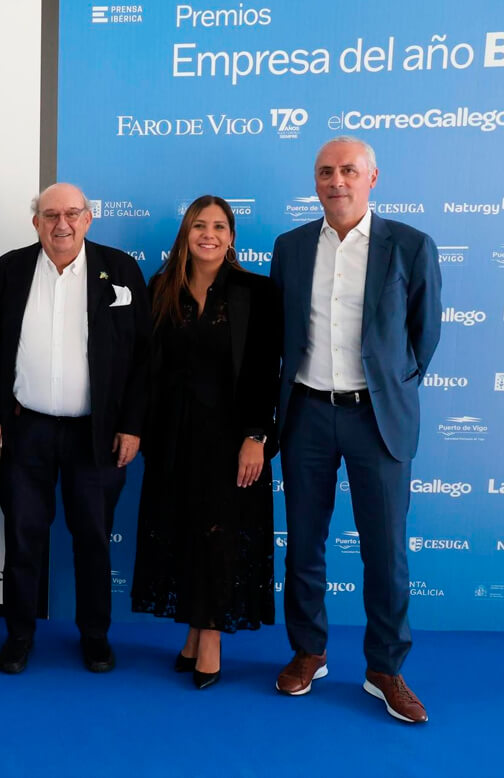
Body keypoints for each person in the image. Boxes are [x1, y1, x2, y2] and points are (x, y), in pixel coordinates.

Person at [271, 136, 441, 723]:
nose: (336, 180)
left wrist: (388, 386)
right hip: (307, 414)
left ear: (373, 177)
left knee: (387, 551)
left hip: (378, 418)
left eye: (348, 170)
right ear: (315, 181)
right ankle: (308, 652)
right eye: (325, 171)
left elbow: (423, 336)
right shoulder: (289, 247)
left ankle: (385, 669)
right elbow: (282, 335)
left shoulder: (412, 246)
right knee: (304, 544)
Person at [0, 182, 151, 674]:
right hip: (23, 429)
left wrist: (133, 425)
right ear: (36, 222)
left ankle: (95, 636)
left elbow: (143, 356)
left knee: (93, 536)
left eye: (72, 214)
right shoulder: (10, 271)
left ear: (88, 219)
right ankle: (19, 635)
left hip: (95, 434)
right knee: (26, 537)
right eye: (50, 215)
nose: (62, 224)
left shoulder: (119, 270)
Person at [129, 195, 280, 690]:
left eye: (218, 225)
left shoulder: (256, 291)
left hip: (232, 439)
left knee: (220, 536)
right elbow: (148, 369)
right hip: (173, 436)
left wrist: (257, 437)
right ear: (185, 234)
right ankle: (193, 632)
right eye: (199, 225)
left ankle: (210, 639)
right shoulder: (160, 288)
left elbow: (265, 373)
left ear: (232, 236)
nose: (208, 234)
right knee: (184, 532)